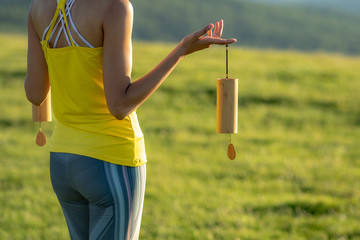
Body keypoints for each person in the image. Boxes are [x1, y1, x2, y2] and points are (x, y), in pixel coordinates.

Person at [25, 0, 236, 239]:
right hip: (110, 161)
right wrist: (181, 51)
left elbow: (35, 93)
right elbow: (119, 105)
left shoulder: (38, 7)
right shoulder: (115, 7)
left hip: (63, 162)